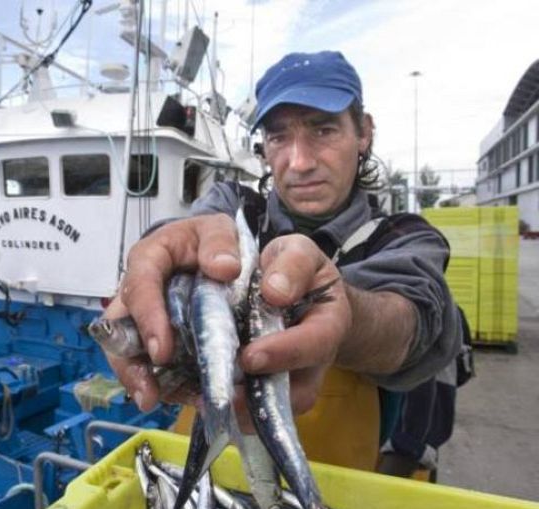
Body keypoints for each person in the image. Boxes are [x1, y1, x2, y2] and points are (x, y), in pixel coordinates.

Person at [102, 50, 465, 471]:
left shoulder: (404, 238)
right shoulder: (233, 207)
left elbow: (415, 320)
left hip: (340, 485)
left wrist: (345, 315)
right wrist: (154, 265)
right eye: (278, 137)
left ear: (364, 133)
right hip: (208, 476)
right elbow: (193, 229)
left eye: (324, 130)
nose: (299, 162)